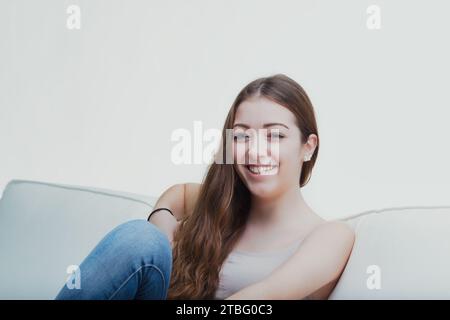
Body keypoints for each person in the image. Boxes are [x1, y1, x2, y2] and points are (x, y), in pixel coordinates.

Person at [55, 74, 355, 300]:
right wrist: (161, 227)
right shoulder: (225, 204)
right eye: (242, 136)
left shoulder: (330, 237)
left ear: (308, 147)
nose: (255, 151)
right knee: (142, 238)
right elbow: (180, 194)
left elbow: (256, 300)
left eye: (275, 135)